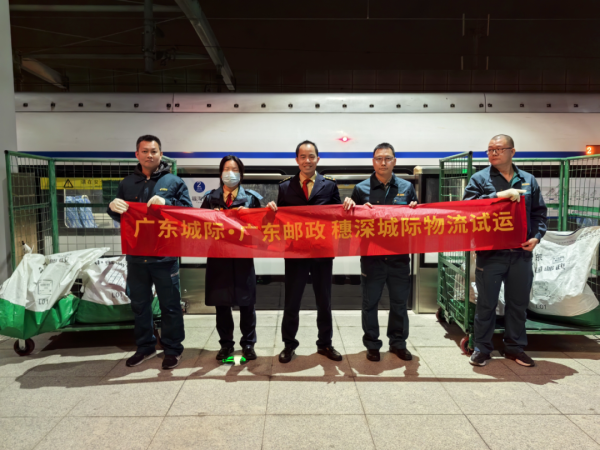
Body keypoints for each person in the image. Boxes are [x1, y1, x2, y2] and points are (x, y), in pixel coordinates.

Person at [107, 134, 192, 370]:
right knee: (140, 305)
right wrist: (111, 207)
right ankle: (145, 347)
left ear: (161, 154)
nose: (149, 155)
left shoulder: (174, 182)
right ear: (137, 154)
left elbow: (188, 212)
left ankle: (173, 349)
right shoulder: (127, 183)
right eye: (144, 151)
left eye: (154, 151)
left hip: (164, 255)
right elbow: (122, 216)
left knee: (170, 305)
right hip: (136, 256)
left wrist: (168, 205)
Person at [463, 134, 547, 368]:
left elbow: (539, 213)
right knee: (486, 304)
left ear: (512, 151)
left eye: (499, 149)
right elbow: (468, 208)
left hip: (521, 254)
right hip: (491, 254)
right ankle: (481, 348)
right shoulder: (479, 179)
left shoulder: (528, 180)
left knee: (518, 304)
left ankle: (514, 347)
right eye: (490, 149)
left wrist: (536, 237)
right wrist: (497, 196)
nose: (493, 153)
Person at [267, 140, 349, 363]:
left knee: (324, 301)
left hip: (322, 253)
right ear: (297, 160)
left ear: (318, 159)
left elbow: (338, 215)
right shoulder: (285, 187)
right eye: (303, 157)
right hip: (295, 253)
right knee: (291, 301)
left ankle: (325, 344)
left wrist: (348, 205)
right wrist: (272, 211)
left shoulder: (329, 185)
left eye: (311, 156)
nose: (307, 161)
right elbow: (280, 220)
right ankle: (289, 345)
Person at [343, 143, 418, 362]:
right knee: (370, 304)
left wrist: (415, 209)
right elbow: (351, 226)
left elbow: (417, 221)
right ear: (373, 161)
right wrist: (351, 207)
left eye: (387, 158)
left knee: (399, 304)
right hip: (372, 258)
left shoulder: (407, 187)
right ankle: (372, 345)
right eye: (378, 158)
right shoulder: (361, 189)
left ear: (395, 161)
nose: (383, 163)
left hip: (399, 257)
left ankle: (398, 343)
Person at [200, 155, 263, 362]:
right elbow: (199, 228)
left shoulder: (252, 199)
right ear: (220, 174)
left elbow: (263, 230)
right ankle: (226, 344)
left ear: (241, 174)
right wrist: (212, 218)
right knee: (222, 304)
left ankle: (248, 344)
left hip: (243, 257)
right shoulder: (210, 199)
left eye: (235, 169)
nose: (230, 173)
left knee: (247, 303)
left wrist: (250, 216)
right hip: (218, 258)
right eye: (226, 169)